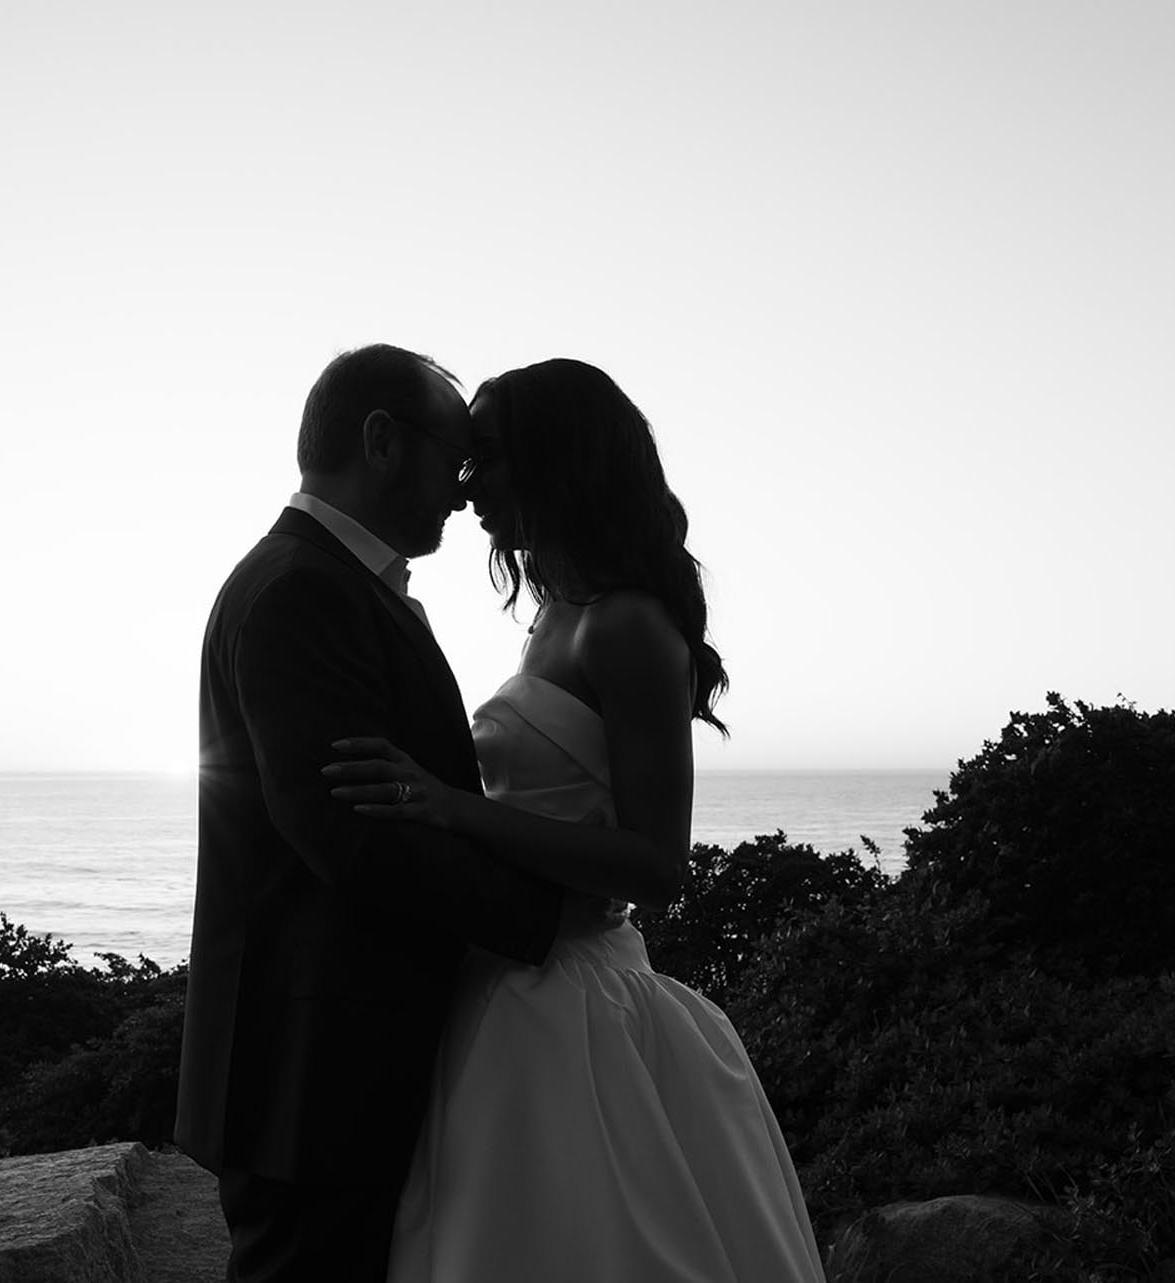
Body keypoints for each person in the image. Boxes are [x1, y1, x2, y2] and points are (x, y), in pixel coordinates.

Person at [327, 359, 827, 1281]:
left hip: (579, 1002)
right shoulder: (554, 611)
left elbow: (654, 863)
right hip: (500, 979)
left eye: (490, 459)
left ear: (558, 463)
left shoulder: (629, 626)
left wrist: (452, 812)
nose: (467, 484)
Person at [176, 344, 569, 1283]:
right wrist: (542, 918)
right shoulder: (302, 591)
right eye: (455, 455)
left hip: (336, 1060)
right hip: (313, 1072)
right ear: (384, 442)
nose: (467, 490)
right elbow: (348, 835)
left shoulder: (328, 584)